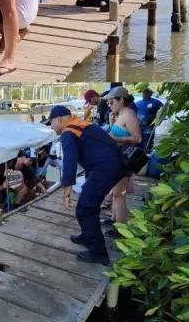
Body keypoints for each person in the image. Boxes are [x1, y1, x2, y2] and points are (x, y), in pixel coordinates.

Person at [46, 105, 127, 265]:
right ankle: (87, 236)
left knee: (85, 208)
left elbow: (70, 163)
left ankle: (98, 253)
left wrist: (67, 192)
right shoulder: (83, 124)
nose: (51, 126)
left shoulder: (68, 132)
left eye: (51, 122)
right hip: (113, 165)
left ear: (59, 119)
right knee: (89, 201)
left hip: (104, 169)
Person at [101, 87, 141, 236]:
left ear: (121, 100)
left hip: (125, 160)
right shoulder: (120, 114)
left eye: (112, 102)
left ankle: (121, 228)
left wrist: (115, 138)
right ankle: (114, 219)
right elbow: (117, 132)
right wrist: (112, 123)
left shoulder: (129, 114)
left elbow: (137, 138)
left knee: (119, 194)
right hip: (118, 158)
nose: (110, 105)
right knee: (116, 192)